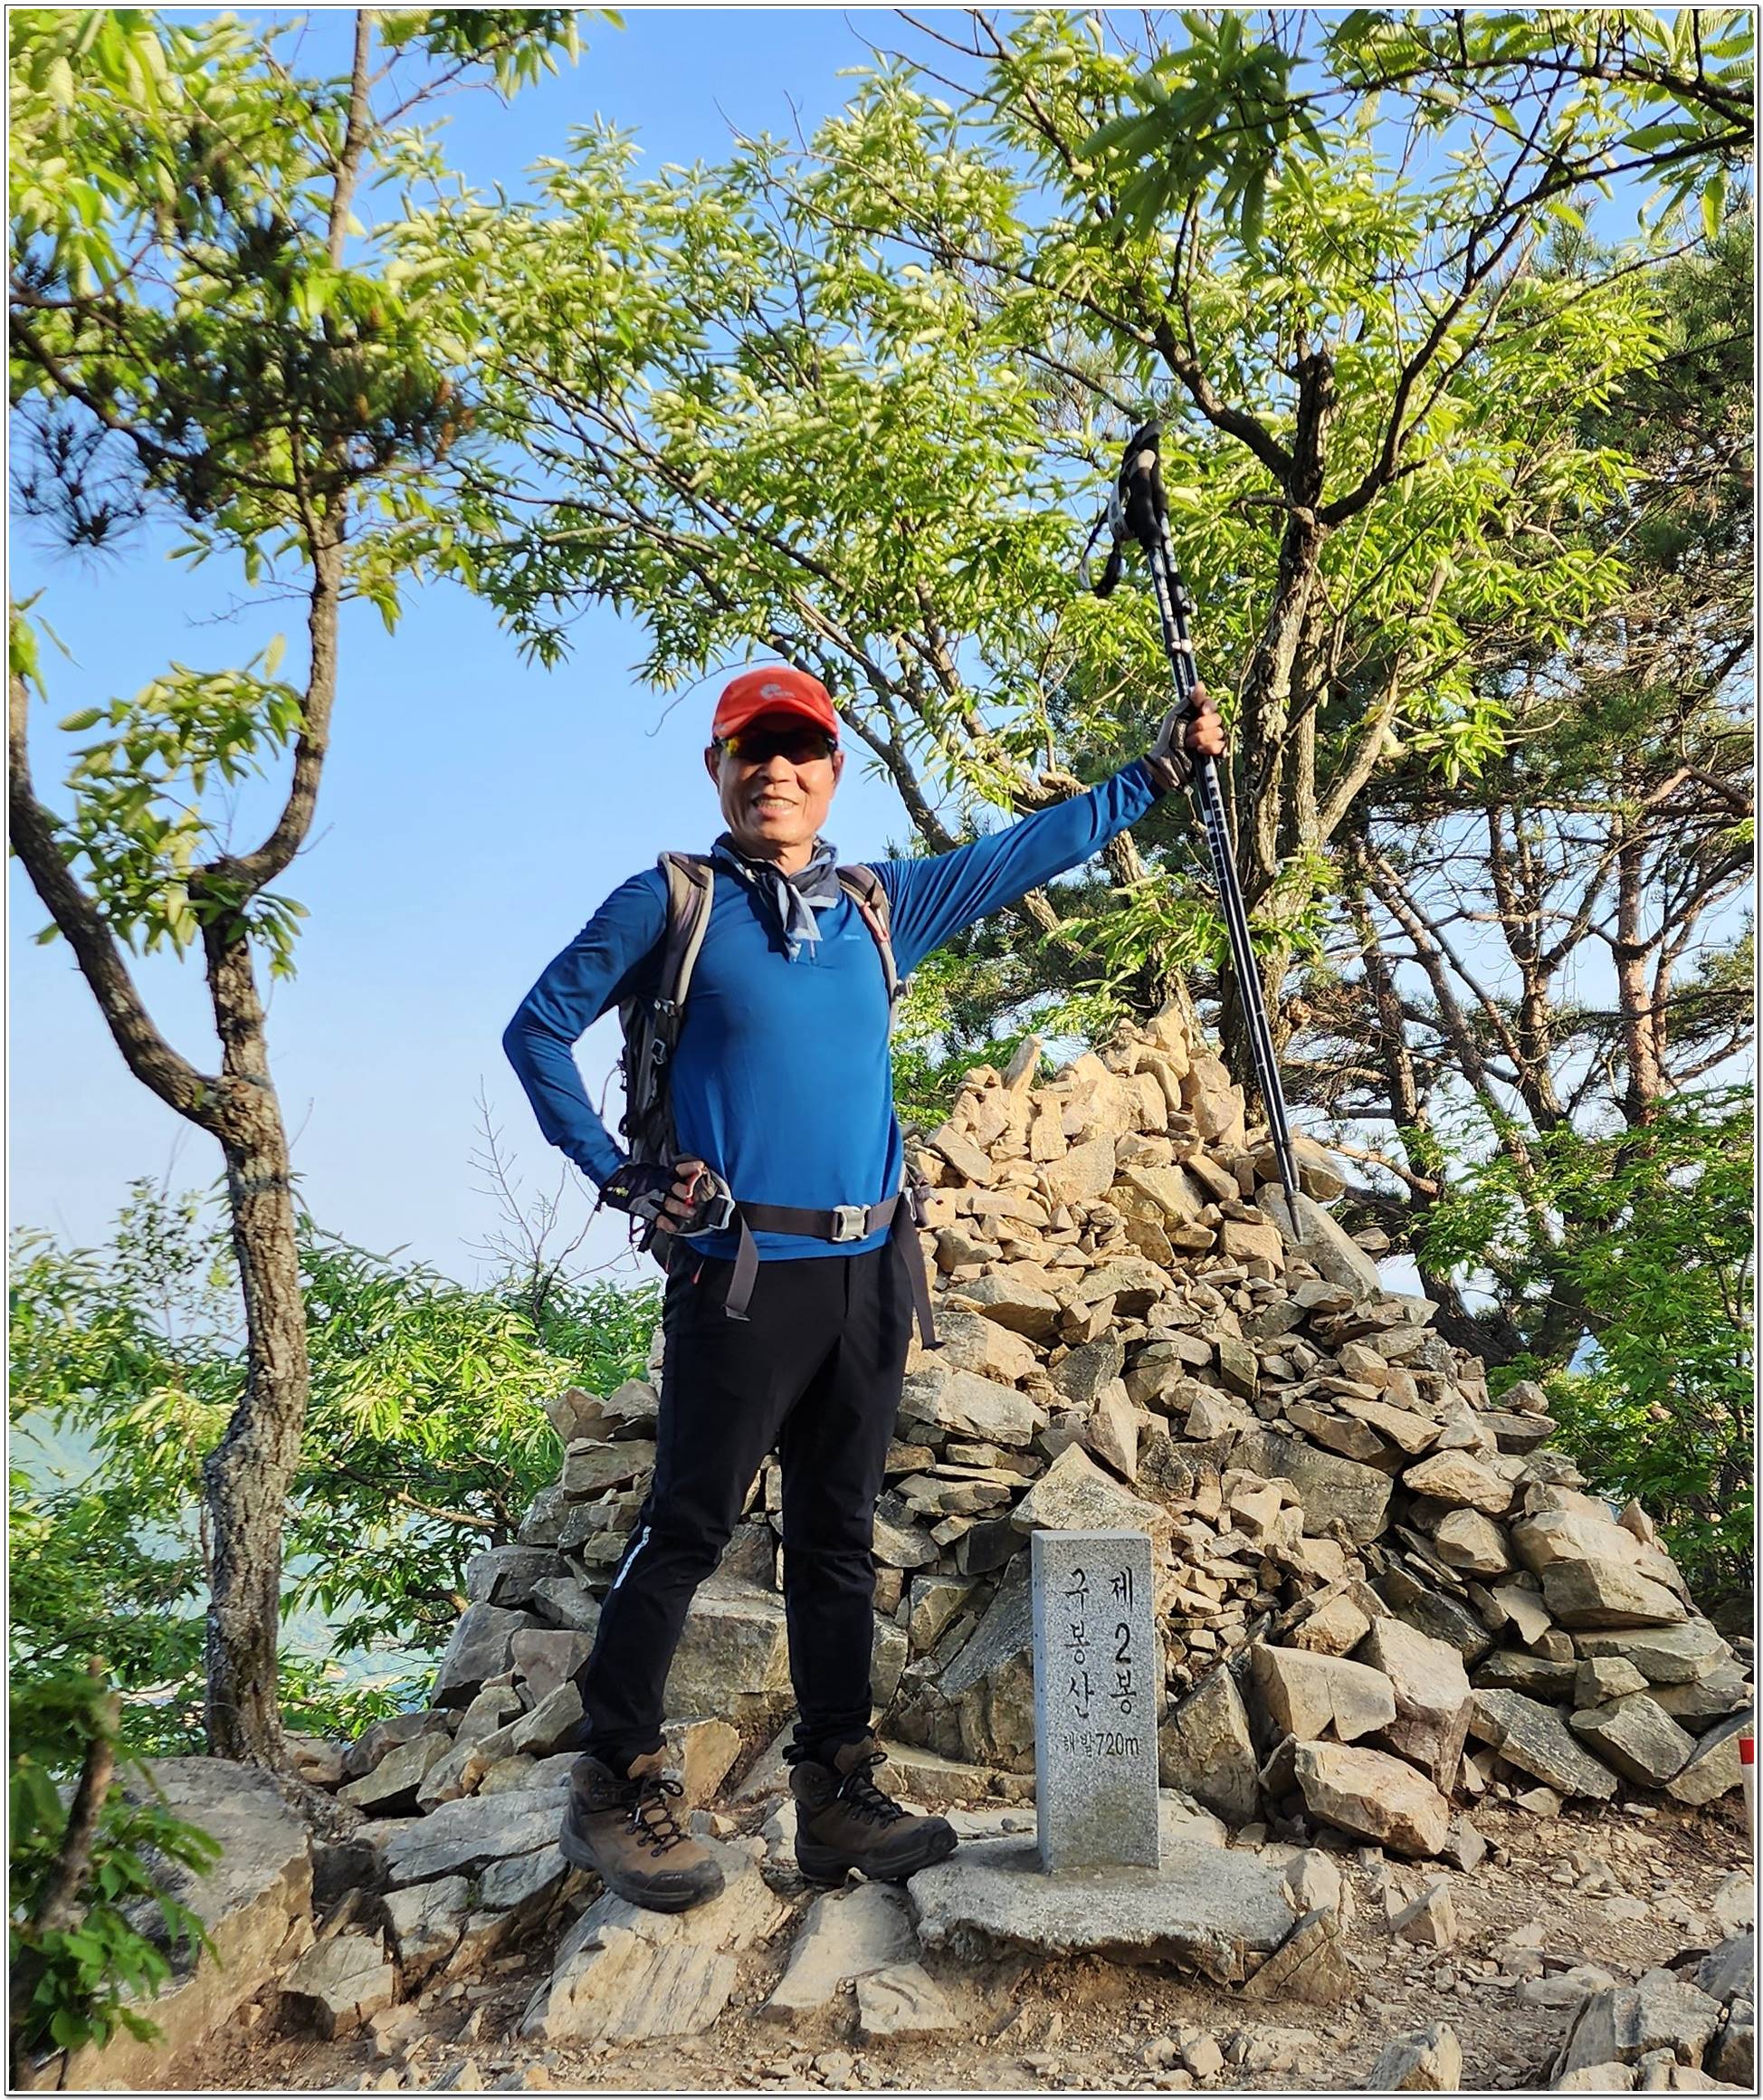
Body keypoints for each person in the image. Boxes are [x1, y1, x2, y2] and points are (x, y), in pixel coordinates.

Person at [504, 663, 1225, 1911]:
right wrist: (622, 1174)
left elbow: (1025, 851)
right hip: (741, 1274)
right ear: (719, 770)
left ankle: (834, 1790)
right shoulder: (669, 903)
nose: (776, 773)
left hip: (874, 1268)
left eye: (800, 752)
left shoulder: (880, 906)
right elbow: (536, 1031)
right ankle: (612, 1783)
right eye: (752, 751)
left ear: (833, 772)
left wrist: (1155, 774)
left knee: (837, 1538)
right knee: (686, 1530)